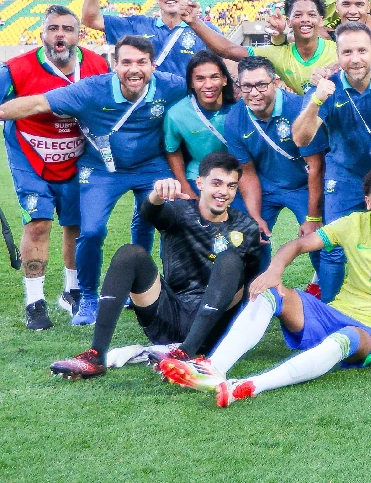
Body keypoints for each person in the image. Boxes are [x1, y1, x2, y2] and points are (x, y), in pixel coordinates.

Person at [160, 166, 371, 406]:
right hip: (332, 313)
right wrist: (274, 272)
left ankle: (251, 385)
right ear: (368, 202)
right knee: (270, 293)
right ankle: (214, 368)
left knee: (347, 338)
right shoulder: (355, 223)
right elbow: (301, 243)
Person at [0, 36, 187, 326]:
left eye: (141, 62)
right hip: (100, 169)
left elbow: (207, 87)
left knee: (153, 221)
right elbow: (38, 103)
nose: (134, 69)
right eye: (126, 62)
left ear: (153, 65)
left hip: (151, 166)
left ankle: (144, 286)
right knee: (92, 231)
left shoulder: (171, 85)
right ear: (115, 64)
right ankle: (87, 298)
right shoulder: (92, 89)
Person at [48, 154, 263, 380]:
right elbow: (149, 212)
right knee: (130, 253)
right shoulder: (180, 211)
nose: (223, 192)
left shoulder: (245, 227)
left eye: (231, 186)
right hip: (169, 316)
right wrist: (157, 195)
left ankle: (186, 354)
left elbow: (250, 284)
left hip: (213, 329)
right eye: (216, 183)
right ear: (200, 183)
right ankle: (95, 356)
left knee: (230, 260)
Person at [0, 5, 110, 329]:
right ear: (42, 34)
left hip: (77, 157)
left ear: (78, 35)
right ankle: (34, 301)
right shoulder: (15, 69)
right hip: (30, 157)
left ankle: (72, 292)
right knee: (39, 224)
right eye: (53, 28)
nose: (60, 34)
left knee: (77, 225)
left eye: (67, 28)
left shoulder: (98, 65)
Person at [292, 22, 371, 301]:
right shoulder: (326, 87)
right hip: (346, 173)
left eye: (362, 50)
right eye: (347, 52)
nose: (355, 59)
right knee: (334, 245)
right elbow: (302, 139)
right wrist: (316, 100)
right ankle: (330, 312)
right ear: (337, 56)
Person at [223, 57, 325, 262]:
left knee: (321, 242)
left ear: (276, 82)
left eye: (261, 85)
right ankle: (255, 291)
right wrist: (255, 216)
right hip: (266, 184)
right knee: (249, 236)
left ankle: (325, 290)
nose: (254, 93)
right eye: (247, 86)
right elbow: (247, 172)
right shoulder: (234, 119)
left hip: (304, 185)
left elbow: (316, 166)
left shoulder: (299, 109)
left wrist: (313, 218)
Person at [183, 0, 337, 95]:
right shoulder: (277, 54)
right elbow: (228, 50)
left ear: (321, 20)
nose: (305, 20)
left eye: (311, 15)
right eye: (298, 15)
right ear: (288, 21)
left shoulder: (339, 50)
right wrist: (194, 22)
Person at [81, 0, 220, 77]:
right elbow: (90, 19)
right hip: (146, 108)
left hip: (188, 107)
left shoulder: (206, 30)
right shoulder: (137, 25)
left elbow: (226, 66)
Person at [163, 51, 236, 198]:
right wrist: (187, 189)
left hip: (238, 174)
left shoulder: (239, 109)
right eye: (200, 79)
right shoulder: (176, 114)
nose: (208, 85)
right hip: (199, 175)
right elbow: (172, 150)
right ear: (191, 83)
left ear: (225, 80)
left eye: (214, 77)